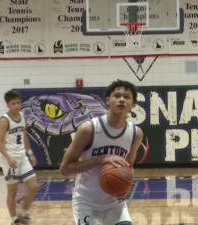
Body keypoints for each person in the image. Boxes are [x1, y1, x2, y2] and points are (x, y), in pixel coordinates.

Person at [60, 80, 143, 225]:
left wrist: (127, 182)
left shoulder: (135, 134)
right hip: (86, 202)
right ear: (108, 101)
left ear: (132, 104)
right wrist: (100, 159)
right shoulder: (88, 129)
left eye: (127, 97)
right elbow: (64, 170)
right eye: (117, 95)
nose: (122, 99)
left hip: (114, 202)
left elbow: (129, 165)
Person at [0, 90, 38, 225]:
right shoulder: (4, 120)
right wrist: (8, 158)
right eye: (13, 103)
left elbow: (24, 136)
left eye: (18, 102)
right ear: (8, 104)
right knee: (12, 191)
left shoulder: (22, 116)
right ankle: (14, 219)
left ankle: (24, 213)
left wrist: (30, 153)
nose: (16, 106)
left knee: (34, 186)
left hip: (22, 157)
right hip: (10, 159)